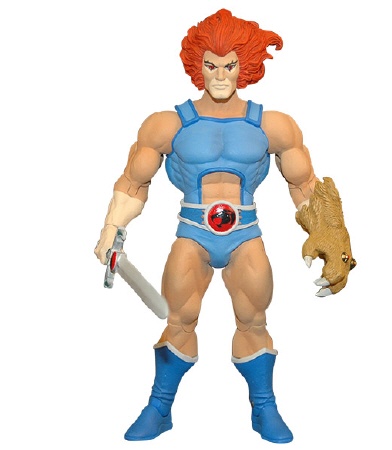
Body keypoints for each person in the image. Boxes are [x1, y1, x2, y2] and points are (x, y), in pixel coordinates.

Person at [94, 9, 355, 444]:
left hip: (245, 234)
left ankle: (264, 408)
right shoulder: (167, 124)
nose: (219, 75)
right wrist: (111, 229)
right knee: (180, 318)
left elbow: (305, 185)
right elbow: (133, 182)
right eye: (210, 65)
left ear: (243, 66)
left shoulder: (273, 125)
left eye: (229, 65)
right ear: (196, 65)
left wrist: (333, 239)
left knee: (253, 319)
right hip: (193, 232)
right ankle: (160, 407)